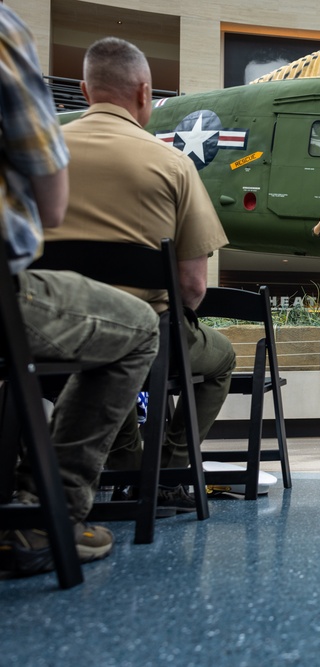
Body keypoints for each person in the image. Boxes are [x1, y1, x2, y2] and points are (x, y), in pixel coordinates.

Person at [0, 6, 160, 576]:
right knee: (142, 327)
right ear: (144, 93)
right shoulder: (5, 28)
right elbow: (50, 203)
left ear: (86, 88)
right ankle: (51, 511)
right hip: (22, 307)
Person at [48, 37, 235, 514]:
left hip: (50, 335)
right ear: (144, 93)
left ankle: (128, 462)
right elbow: (193, 286)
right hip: (147, 334)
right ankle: (168, 469)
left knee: (105, 358)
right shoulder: (172, 163)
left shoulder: (42, 157)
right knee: (222, 358)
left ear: (86, 92)